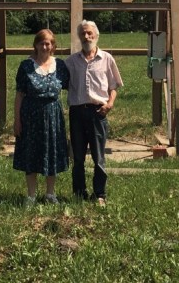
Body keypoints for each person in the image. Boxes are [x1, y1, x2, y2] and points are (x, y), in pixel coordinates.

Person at [66, 20, 123, 206]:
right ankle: (79, 193)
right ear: (79, 37)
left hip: (98, 112)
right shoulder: (71, 62)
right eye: (83, 33)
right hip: (77, 113)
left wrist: (109, 104)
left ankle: (100, 194)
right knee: (78, 157)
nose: (86, 37)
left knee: (99, 157)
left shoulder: (106, 59)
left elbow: (114, 86)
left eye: (89, 33)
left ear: (96, 35)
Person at [13, 29, 69, 207]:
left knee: (52, 152)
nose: (45, 47)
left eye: (48, 43)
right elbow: (19, 94)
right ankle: (31, 196)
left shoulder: (60, 65)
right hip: (30, 117)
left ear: (53, 46)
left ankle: (50, 194)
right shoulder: (26, 66)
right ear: (36, 45)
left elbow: (73, 86)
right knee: (31, 154)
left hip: (53, 116)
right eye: (42, 43)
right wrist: (17, 120)